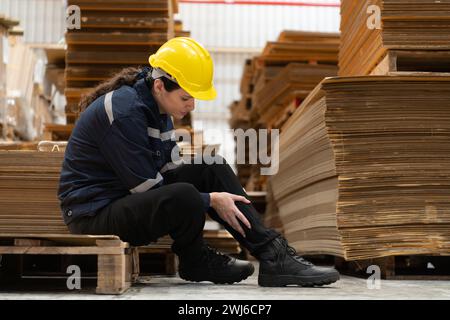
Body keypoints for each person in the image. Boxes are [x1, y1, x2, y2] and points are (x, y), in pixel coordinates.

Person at [58, 37, 340, 287]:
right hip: (94, 215)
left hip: (123, 200)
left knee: (210, 165)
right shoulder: (124, 112)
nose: (191, 105)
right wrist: (209, 200)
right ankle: (194, 259)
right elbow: (147, 189)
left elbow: (169, 171)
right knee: (187, 195)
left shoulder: (157, 108)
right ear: (159, 85)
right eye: (186, 97)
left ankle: (272, 254)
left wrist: (208, 193)